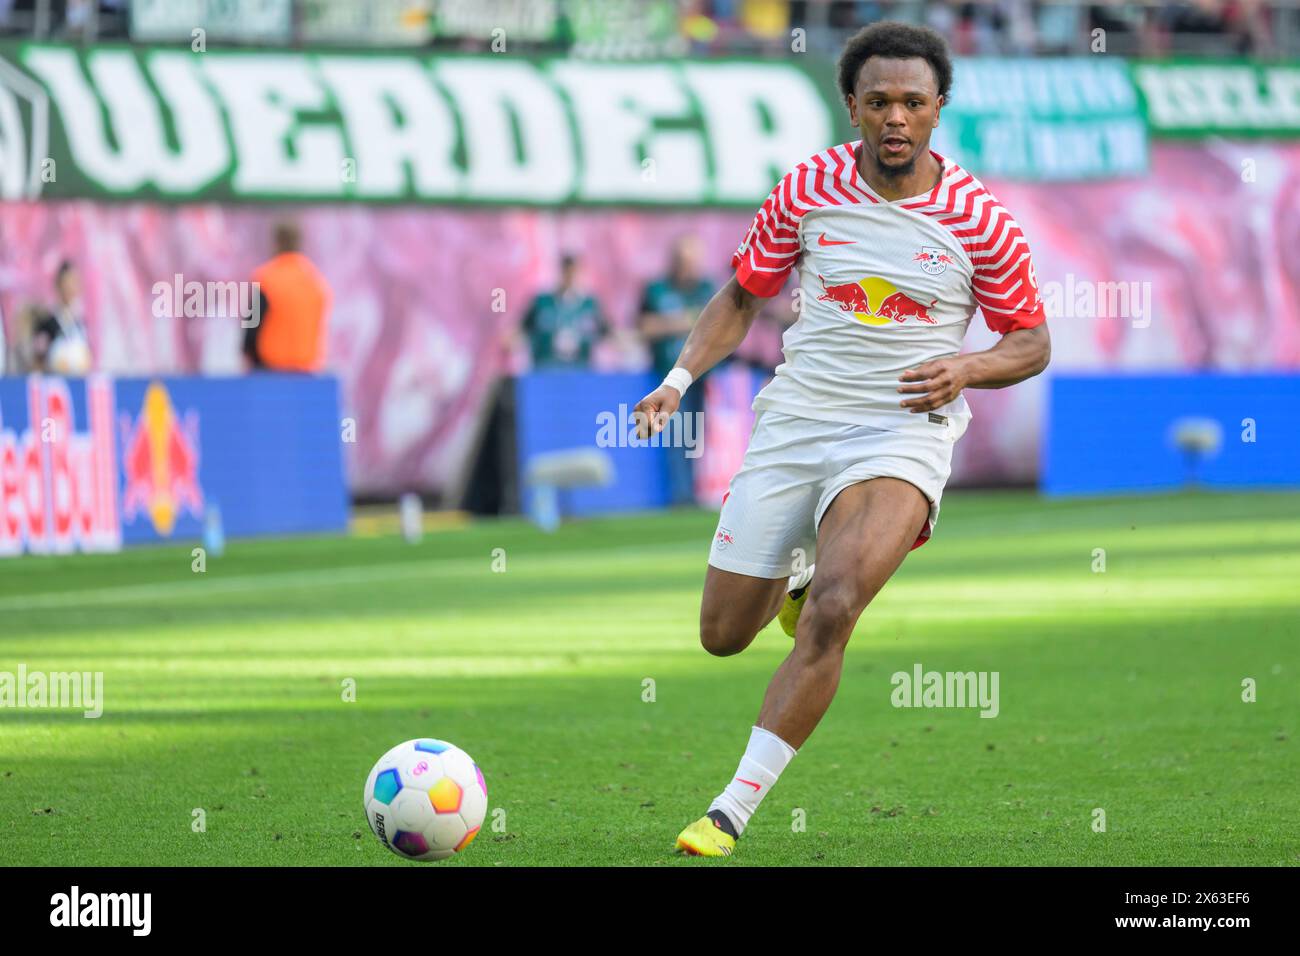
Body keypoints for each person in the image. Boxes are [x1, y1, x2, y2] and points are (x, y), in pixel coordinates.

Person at [632, 21, 1051, 857]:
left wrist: (965, 370)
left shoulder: (980, 219)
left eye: (913, 102)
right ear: (851, 105)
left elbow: (1030, 343)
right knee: (722, 635)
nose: (895, 117)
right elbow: (743, 296)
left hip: (903, 431)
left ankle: (729, 812)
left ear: (939, 110)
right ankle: (791, 572)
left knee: (835, 609)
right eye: (879, 101)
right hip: (798, 422)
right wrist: (678, 380)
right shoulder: (808, 187)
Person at [637, 236, 716, 506]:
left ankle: (691, 492)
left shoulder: (705, 288)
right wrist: (682, 322)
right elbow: (644, 326)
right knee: (674, 434)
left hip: (699, 376)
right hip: (666, 375)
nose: (689, 268)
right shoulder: (657, 290)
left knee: (694, 436)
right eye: (685, 262)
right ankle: (680, 497)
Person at [243, 221, 332, 373]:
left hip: (270, 371)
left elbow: (252, 327)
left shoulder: (266, 278)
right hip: (305, 373)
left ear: (276, 242)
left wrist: (247, 354)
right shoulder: (315, 282)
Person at [519, 254, 609, 370]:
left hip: (580, 371)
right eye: (567, 273)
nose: (570, 278)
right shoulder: (542, 303)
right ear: (561, 273)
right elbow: (521, 330)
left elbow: (608, 332)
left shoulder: (590, 305)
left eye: (574, 273)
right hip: (546, 370)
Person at [32, 260, 92, 376]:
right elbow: (37, 364)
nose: (70, 288)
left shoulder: (81, 324)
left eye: (74, 282)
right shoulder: (46, 324)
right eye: (67, 283)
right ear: (58, 285)